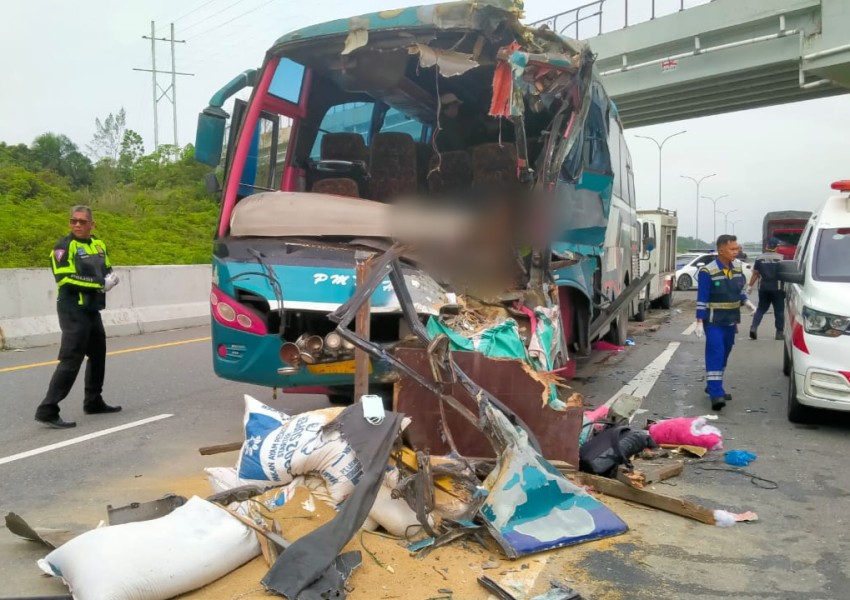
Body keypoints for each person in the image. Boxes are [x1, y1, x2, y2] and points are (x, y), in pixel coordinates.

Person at [35, 206, 121, 429]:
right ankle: (48, 409)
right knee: (72, 359)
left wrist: (111, 278)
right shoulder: (63, 247)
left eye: (83, 222)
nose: (78, 225)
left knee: (98, 354)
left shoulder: (99, 245)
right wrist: (99, 284)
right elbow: (66, 279)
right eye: (74, 221)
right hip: (73, 309)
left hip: (92, 309)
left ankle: (93, 401)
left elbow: (106, 269)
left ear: (92, 224)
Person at [692, 234, 756, 411]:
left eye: (737, 248)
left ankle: (714, 385)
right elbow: (702, 298)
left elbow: (739, 289)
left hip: (730, 321)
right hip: (713, 322)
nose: (736, 252)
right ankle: (716, 394)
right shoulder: (708, 271)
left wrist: (747, 302)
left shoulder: (736, 268)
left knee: (724, 354)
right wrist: (698, 321)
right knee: (716, 354)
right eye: (732, 249)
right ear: (721, 250)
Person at [747, 238, 785, 341]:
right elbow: (785, 275)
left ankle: (754, 327)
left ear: (767, 246)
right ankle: (779, 333)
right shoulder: (782, 258)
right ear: (776, 247)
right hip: (778, 288)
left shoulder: (759, 258)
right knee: (779, 311)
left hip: (764, 288)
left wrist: (750, 286)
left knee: (761, 309)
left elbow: (755, 274)